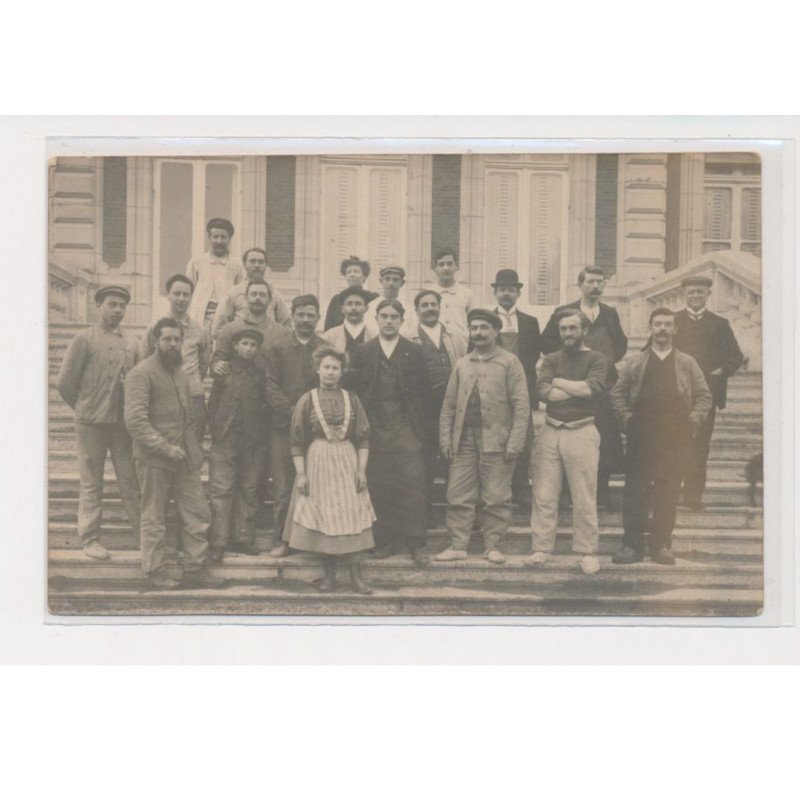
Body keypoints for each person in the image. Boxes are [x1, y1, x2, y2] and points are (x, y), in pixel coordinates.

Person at [124, 318, 225, 589]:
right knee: (154, 516)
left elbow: (187, 414)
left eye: (177, 339)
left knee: (197, 512)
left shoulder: (180, 372)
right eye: (167, 339)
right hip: (155, 458)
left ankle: (194, 568)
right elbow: (136, 422)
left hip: (184, 456)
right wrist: (165, 448)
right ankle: (154, 570)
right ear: (155, 341)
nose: (172, 344)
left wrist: (192, 448)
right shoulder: (141, 373)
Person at [611, 308, 712, 566]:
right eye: (658, 324)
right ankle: (631, 545)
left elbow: (704, 397)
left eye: (668, 324)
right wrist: (627, 419)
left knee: (667, 492)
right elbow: (617, 395)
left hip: (674, 437)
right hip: (641, 436)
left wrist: (692, 420)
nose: (663, 329)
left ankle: (661, 545)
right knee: (636, 492)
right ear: (651, 328)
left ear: (675, 329)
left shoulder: (687, 363)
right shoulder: (635, 362)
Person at [435, 308, 530, 564]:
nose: (478, 333)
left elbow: (522, 407)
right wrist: (445, 438)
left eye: (483, 328)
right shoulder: (462, 363)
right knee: (458, 494)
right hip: (463, 440)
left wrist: (515, 441)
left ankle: (493, 546)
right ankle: (458, 545)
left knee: (496, 496)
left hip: (497, 439)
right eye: (474, 328)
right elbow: (449, 405)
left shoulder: (510, 362)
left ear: (496, 331)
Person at [280, 346, 377, 593]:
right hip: (318, 460)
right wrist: (301, 474)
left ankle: (356, 577)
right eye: (326, 367)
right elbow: (296, 440)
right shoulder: (307, 399)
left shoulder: (351, 399)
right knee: (323, 514)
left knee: (350, 512)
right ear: (318, 370)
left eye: (335, 368)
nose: (331, 372)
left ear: (342, 371)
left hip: (346, 458)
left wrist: (361, 470)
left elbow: (364, 436)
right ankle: (329, 576)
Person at [345, 299, 433, 566]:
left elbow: (426, 393)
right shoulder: (363, 351)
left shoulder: (415, 352)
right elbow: (354, 390)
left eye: (394, 316)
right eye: (384, 316)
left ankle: (415, 543)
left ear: (402, 320)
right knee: (379, 484)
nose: (389, 321)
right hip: (374, 427)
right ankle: (384, 540)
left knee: (413, 484)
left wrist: (422, 431)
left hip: (407, 428)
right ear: (376, 319)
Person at [56, 285, 141, 560]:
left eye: (121, 305)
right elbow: (66, 383)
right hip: (91, 422)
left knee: (130, 479)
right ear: (99, 306)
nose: (117, 310)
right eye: (112, 304)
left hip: (121, 424)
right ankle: (90, 538)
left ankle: (143, 536)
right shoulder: (84, 339)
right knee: (92, 481)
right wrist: (85, 408)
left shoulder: (132, 342)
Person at [526, 309, 608, 575]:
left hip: (582, 430)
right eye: (563, 329)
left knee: (584, 495)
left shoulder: (597, 358)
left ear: (584, 330)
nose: (567, 334)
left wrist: (560, 383)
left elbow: (590, 389)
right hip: (550, 430)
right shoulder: (550, 358)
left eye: (572, 328)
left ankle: (587, 552)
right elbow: (544, 394)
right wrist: (571, 387)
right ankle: (541, 548)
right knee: (544, 494)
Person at [540, 265, 628, 508]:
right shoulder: (564, 313)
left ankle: (602, 492)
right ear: (580, 285)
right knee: (571, 438)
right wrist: (567, 361)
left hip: (602, 387)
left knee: (606, 438)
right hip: (572, 386)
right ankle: (569, 493)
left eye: (600, 282)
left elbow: (621, 342)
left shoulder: (609, 313)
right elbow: (546, 340)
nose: (595, 286)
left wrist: (605, 364)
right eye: (590, 282)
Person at [673, 275, 744, 510]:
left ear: (708, 295)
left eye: (700, 292)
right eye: (691, 292)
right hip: (674, 395)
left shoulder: (719, 324)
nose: (695, 296)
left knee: (699, 445)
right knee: (672, 444)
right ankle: (669, 495)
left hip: (706, 396)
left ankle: (694, 497)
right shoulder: (672, 321)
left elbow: (735, 357)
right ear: (685, 294)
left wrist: (718, 371)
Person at [265, 295, 328, 557]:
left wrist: (313, 418)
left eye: (310, 315)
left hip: (316, 432)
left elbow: (330, 386)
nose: (305, 319)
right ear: (292, 315)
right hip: (283, 429)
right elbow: (270, 386)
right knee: (282, 487)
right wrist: (294, 414)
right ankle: (282, 540)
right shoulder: (277, 348)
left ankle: (314, 540)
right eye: (300, 314)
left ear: (318, 318)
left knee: (316, 485)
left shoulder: (325, 349)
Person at [206, 328, 269, 563]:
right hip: (226, 437)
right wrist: (216, 428)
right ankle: (218, 542)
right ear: (235, 346)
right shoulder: (223, 371)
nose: (249, 348)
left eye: (253, 345)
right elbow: (213, 403)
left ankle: (243, 537)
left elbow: (266, 404)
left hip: (253, 439)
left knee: (249, 489)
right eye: (244, 343)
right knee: (221, 490)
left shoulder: (261, 373)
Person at [410, 289, 468, 525]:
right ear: (417, 310)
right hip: (423, 411)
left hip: (452, 409)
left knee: (455, 459)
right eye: (424, 305)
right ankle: (425, 513)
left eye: (434, 304)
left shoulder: (454, 336)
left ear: (440, 307)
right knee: (424, 460)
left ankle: (458, 513)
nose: (430, 308)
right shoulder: (410, 337)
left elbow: (463, 365)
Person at [137, 274, 211, 443]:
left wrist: (188, 379)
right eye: (176, 294)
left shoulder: (200, 330)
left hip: (193, 395)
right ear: (167, 295)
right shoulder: (155, 327)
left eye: (186, 295)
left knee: (193, 447)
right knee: (166, 445)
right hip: (163, 395)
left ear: (191, 297)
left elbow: (204, 364)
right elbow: (143, 359)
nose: (181, 299)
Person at [489, 268, 541, 506]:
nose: (506, 294)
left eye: (511, 289)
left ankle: (521, 487)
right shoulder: (485, 321)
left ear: (518, 293)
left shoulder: (530, 323)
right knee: (495, 438)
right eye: (502, 290)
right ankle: (496, 489)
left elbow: (532, 357)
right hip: (493, 390)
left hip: (521, 389)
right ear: (495, 293)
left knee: (523, 438)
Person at [211, 279, 290, 375]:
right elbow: (217, 361)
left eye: (262, 295)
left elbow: (286, 367)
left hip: (268, 387)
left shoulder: (280, 333)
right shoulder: (230, 329)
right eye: (253, 294)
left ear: (270, 300)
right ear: (246, 298)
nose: (258, 298)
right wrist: (217, 365)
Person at [211, 247, 292, 339]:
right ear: (244, 265)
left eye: (261, 262)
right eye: (252, 261)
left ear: (266, 266)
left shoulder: (274, 294)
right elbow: (217, 330)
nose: (257, 265)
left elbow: (288, 326)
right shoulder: (233, 293)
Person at [186, 218, 242, 330]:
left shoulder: (237, 265)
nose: (219, 241)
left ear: (229, 239)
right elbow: (188, 291)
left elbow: (240, 295)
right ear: (209, 238)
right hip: (200, 317)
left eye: (223, 237)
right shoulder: (197, 262)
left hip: (225, 319)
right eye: (215, 237)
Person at [424, 247, 475, 335]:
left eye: (449, 264)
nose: (446, 268)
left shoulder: (467, 294)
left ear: (456, 266)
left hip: (461, 345)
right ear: (434, 267)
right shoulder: (427, 294)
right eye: (441, 264)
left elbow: (474, 323)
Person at [323, 255, 378, 331]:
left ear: (364, 276)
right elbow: (328, 328)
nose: (352, 275)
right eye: (348, 272)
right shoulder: (336, 300)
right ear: (345, 277)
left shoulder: (373, 298)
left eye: (356, 271)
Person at [323, 286, 378, 355]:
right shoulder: (330, 337)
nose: (353, 308)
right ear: (342, 308)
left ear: (366, 308)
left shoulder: (375, 338)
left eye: (358, 304)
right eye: (349, 304)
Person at [366, 266, 419, 339]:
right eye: (387, 279)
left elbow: (413, 335)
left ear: (402, 283)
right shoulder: (370, 307)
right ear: (381, 281)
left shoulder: (410, 310)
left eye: (395, 280)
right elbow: (369, 332)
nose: (391, 283)